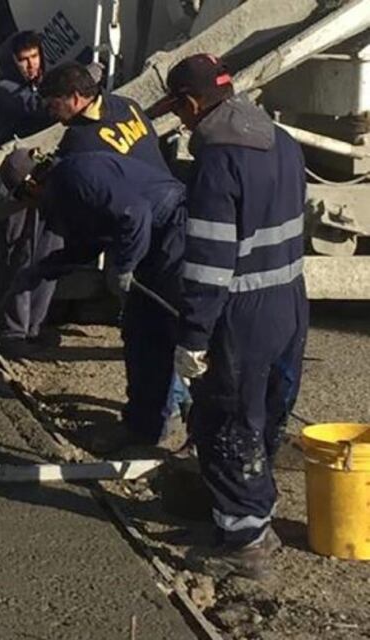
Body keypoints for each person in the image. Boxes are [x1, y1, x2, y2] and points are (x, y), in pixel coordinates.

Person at [149, 54, 308, 579]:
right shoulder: (278, 138)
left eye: (181, 110)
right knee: (261, 413)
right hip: (288, 296)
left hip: (241, 311)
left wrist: (193, 335)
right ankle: (252, 515)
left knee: (224, 421)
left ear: (191, 104)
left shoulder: (219, 160)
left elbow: (210, 261)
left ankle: (245, 542)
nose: (184, 121)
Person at [0, 147, 186, 452]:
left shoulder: (74, 177)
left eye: (25, 198)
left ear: (31, 185)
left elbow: (135, 212)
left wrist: (124, 268)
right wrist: (44, 269)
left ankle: (157, 428)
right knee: (141, 333)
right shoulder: (70, 185)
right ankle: (145, 425)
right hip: (159, 233)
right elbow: (91, 242)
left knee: (157, 331)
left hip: (171, 231)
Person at [41, 60, 192, 418]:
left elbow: (119, 213)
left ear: (76, 98)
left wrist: (122, 267)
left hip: (152, 232)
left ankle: (169, 408)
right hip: (167, 212)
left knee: (150, 327)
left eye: (53, 102)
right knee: (168, 321)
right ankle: (175, 401)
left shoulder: (78, 145)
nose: (49, 110)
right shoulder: (127, 105)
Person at [0, 31, 63, 356]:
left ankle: (35, 326)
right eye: (23, 59)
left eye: (35, 56)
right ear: (11, 62)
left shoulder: (45, 85)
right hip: (17, 182)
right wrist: (87, 76)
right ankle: (14, 331)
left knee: (49, 250)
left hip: (50, 180)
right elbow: (37, 109)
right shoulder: (6, 90)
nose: (31, 64)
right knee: (18, 252)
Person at [42, 60, 167, 170]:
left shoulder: (77, 141)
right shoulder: (128, 105)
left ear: (75, 98)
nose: (52, 113)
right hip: (171, 186)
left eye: (53, 106)